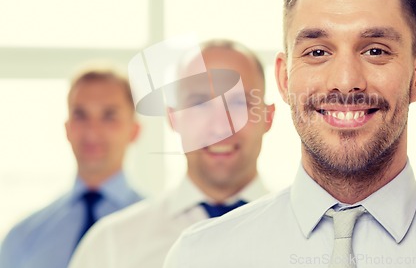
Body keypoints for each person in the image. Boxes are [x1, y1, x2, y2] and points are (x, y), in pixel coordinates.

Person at [163, 0, 416, 268]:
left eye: (375, 50)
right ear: (284, 78)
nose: (345, 82)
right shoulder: (201, 256)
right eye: (318, 51)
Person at [68, 40, 275, 268]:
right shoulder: (109, 246)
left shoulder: (313, 238)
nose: (220, 127)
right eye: (200, 103)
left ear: (268, 116)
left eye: (238, 103)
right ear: (174, 118)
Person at [0, 67, 143, 268]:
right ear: (67, 129)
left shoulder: (166, 231)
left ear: (135, 130)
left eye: (109, 115)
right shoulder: (22, 238)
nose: (92, 131)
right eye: (80, 115)